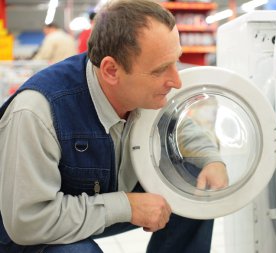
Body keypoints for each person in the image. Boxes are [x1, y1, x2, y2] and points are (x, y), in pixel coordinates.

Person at [0, 0, 228, 252]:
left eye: (176, 62)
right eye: (161, 69)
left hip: (98, 200)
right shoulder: (38, 111)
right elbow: (27, 222)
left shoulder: (139, 91)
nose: (176, 81)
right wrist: (126, 206)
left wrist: (210, 159)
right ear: (111, 70)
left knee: (193, 185)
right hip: (29, 231)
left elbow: (178, 127)